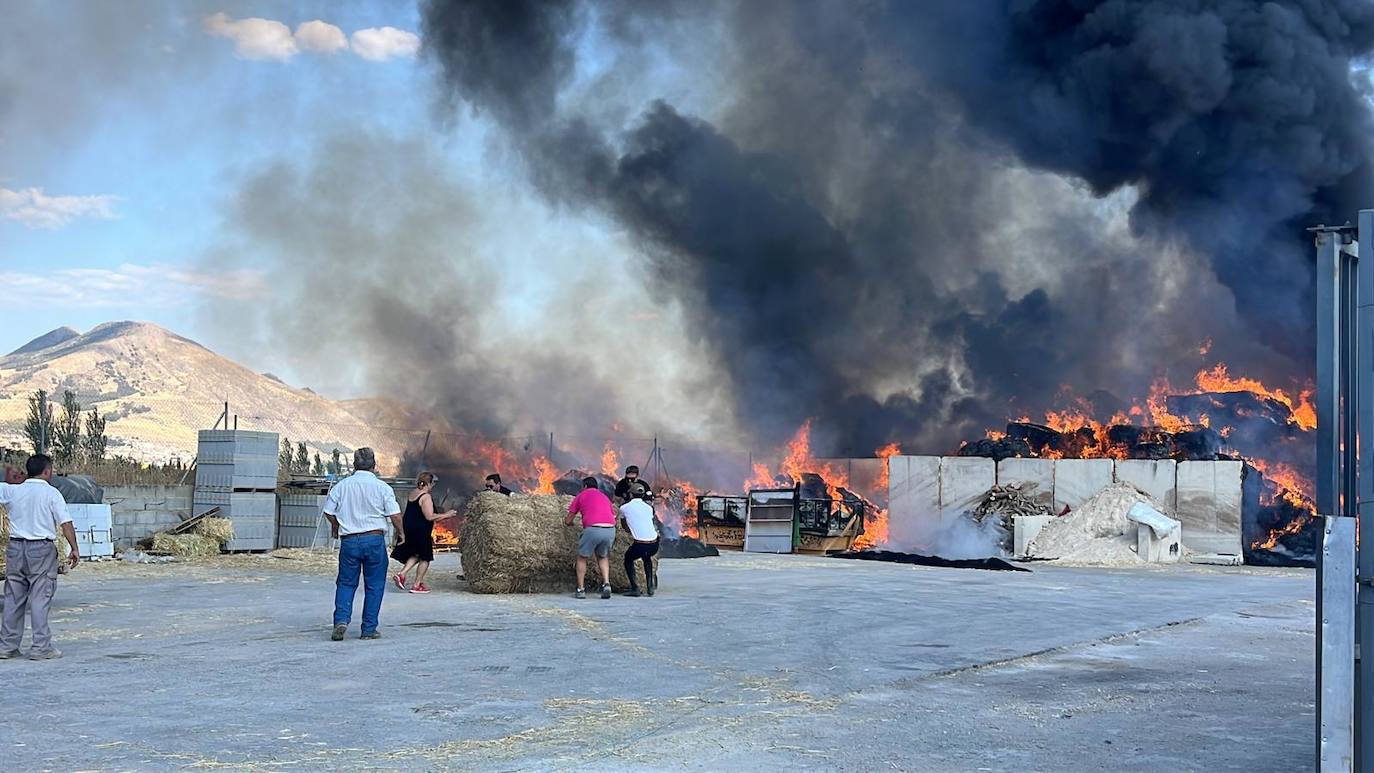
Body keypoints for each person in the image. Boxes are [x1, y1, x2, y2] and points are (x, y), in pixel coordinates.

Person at [0, 454, 79, 660]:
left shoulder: (12, 490)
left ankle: (7, 646)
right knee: (40, 597)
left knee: (13, 598)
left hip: (15, 548)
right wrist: (74, 548)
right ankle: (41, 647)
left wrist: (9, 477)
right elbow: (66, 523)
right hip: (40, 549)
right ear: (47, 471)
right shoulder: (51, 494)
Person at [323, 448, 403, 641]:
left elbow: (328, 510)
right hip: (374, 540)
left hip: (349, 541)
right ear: (374, 466)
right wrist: (401, 533)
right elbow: (394, 515)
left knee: (346, 583)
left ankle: (341, 620)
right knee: (374, 585)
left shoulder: (342, 486)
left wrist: (336, 525)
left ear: (354, 464)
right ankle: (368, 629)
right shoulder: (383, 487)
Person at [391, 471, 456, 595]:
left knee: (416, 554)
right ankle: (416, 585)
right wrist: (447, 515)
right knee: (425, 557)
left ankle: (401, 574)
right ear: (429, 483)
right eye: (432, 483)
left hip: (409, 528)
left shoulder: (413, 493)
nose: (433, 486)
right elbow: (429, 516)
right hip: (420, 531)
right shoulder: (425, 497)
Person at [564, 476, 615, 599]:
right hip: (610, 529)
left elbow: (568, 520)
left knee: (582, 558)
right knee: (603, 557)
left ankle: (580, 589)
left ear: (585, 487)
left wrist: (570, 524)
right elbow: (613, 515)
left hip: (593, 528)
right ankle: (606, 584)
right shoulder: (604, 497)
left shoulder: (581, 496)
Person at [619, 483, 660, 597]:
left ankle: (635, 588)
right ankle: (650, 587)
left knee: (628, 559)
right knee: (647, 557)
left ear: (631, 494)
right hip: (654, 544)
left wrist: (629, 530)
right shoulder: (649, 508)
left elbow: (624, 525)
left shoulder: (624, 508)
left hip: (641, 545)